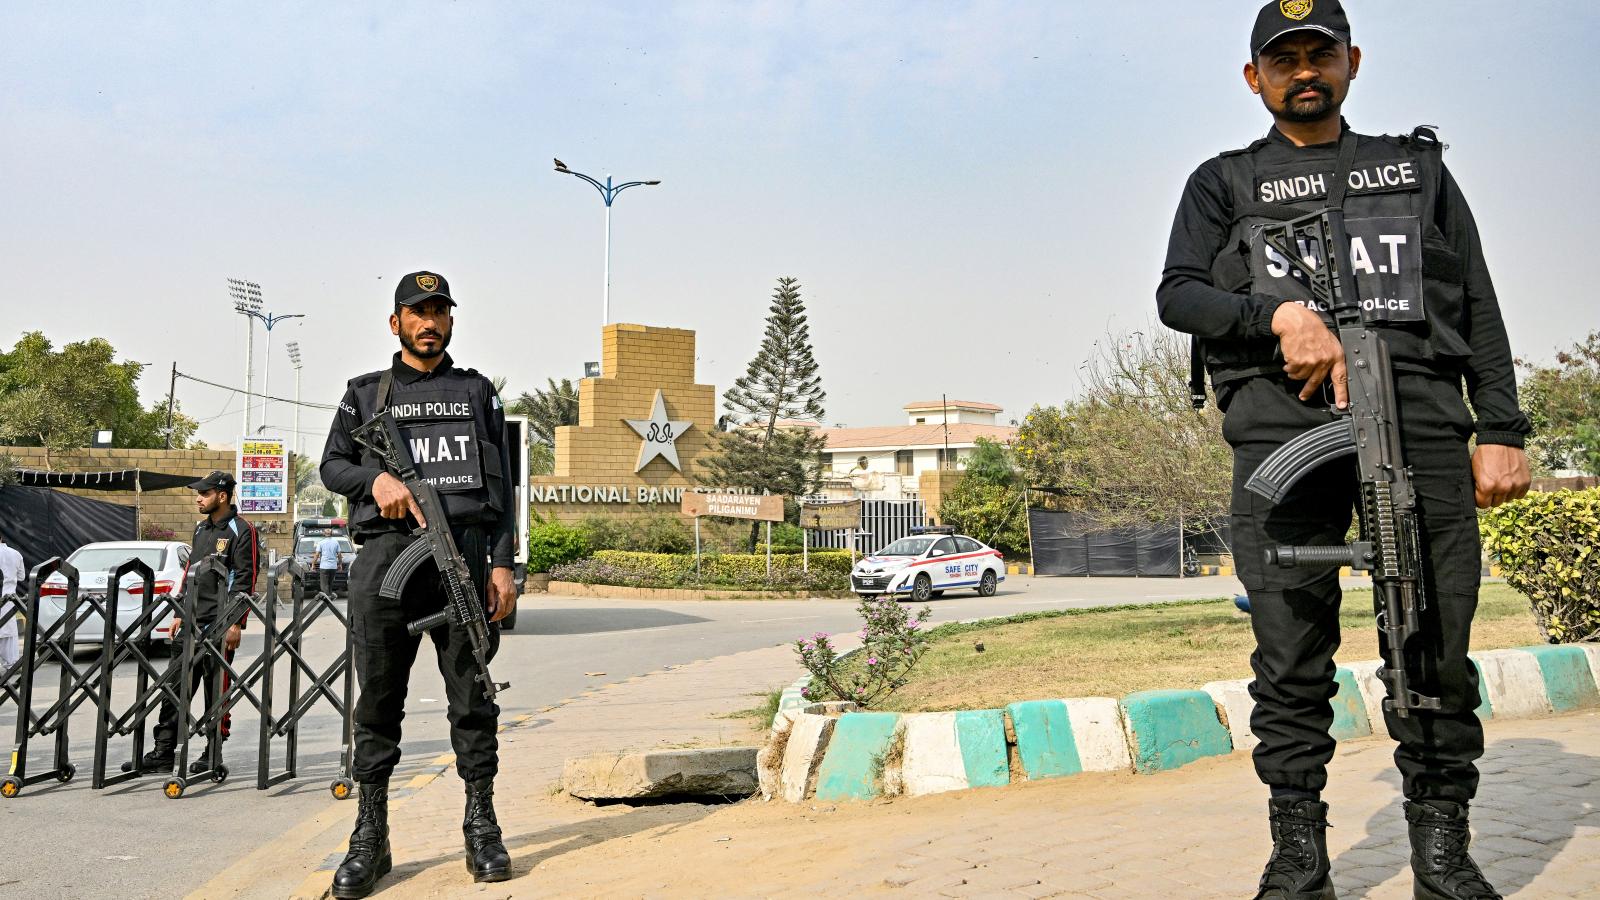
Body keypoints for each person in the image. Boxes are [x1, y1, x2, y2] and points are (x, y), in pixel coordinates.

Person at [1156, 3, 1530, 899]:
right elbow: (1178, 295)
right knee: (1289, 652)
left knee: (1433, 640)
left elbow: (1475, 301)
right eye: (1282, 59)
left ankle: (1443, 851)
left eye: (1319, 52)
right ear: (1255, 79)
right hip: (1285, 430)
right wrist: (1274, 314)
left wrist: (1504, 431)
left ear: (1352, 61)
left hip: (1423, 422)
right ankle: (1299, 858)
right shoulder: (1223, 183)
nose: (1303, 69)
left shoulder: (1416, 169)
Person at [321, 270, 517, 897]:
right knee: (377, 702)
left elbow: (501, 491)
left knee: (474, 698)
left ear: (451, 321)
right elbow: (332, 464)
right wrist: (373, 483)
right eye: (417, 311)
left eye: (439, 311)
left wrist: (503, 564)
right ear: (396, 322)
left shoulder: (477, 392)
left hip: (462, 557)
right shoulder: (365, 395)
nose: (429, 322)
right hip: (386, 561)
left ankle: (480, 824)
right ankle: (370, 837)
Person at [126, 471, 260, 775]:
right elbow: (189, 575)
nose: (198, 498)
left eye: (204, 493)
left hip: (219, 624)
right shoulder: (201, 530)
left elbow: (245, 580)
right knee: (174, 687)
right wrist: (178, 613)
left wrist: (235, 623)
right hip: (190, 624)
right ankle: (163, 752)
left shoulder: (242, 531)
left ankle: (213, 754)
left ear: (222, 496)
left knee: (216, 690)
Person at [0, 534, 25, 672]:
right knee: (9, 632)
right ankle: (11, 664)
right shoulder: (16, 554)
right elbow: (22, 577)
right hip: (9, 599)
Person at [313, 532, 343, 598]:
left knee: (324, 585)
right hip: (333, 566)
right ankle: (329, 596)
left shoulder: (321, 542)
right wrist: (340, 564)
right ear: (331, 534)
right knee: (330, 583)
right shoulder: (336, 542)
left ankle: (327, 598)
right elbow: (339, 555)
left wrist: (313, 564)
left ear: (324, 534)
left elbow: (317, 554)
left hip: (324, 566)